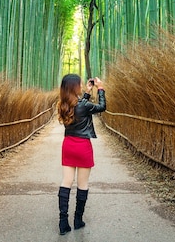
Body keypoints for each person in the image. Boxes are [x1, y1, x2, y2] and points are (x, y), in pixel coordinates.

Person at [56, 73, 106, 235]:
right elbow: (101, 107)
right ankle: (78, 220)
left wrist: (87, 93)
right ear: (75, 86)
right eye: (80, 84)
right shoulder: (84, 106)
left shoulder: (62, 105)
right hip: (83, 146)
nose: (82, 85)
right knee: (82, 184)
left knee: (66, 182)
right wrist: (100, 89)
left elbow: (79, 107)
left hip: (68, 145)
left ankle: (63, 222)